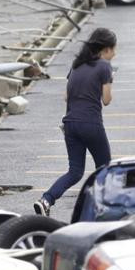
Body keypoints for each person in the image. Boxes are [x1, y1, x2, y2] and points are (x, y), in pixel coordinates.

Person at [34, 28, 117, 217]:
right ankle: (103, 207)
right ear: (105, 49)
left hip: (70, 123)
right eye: (114, 49)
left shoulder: (77, 64)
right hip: (91, 123)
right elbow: (106, 100)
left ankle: (46, 200)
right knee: (105, 168)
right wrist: (109, 81)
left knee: (75, 171)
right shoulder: (105, 66)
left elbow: (66, 96)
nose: (115, 53)